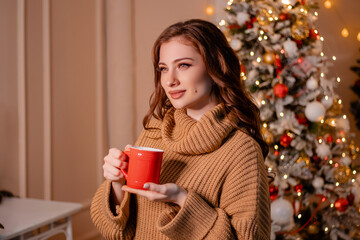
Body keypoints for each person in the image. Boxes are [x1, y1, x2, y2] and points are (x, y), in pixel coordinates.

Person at [90, 19, 271, 240]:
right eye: (163, 69)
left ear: (215, 67)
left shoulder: (242, 151)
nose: (169, 80)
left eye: (183, 65)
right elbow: (116, 232)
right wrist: (117, 183)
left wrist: (182, 199)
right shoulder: (155, 131)